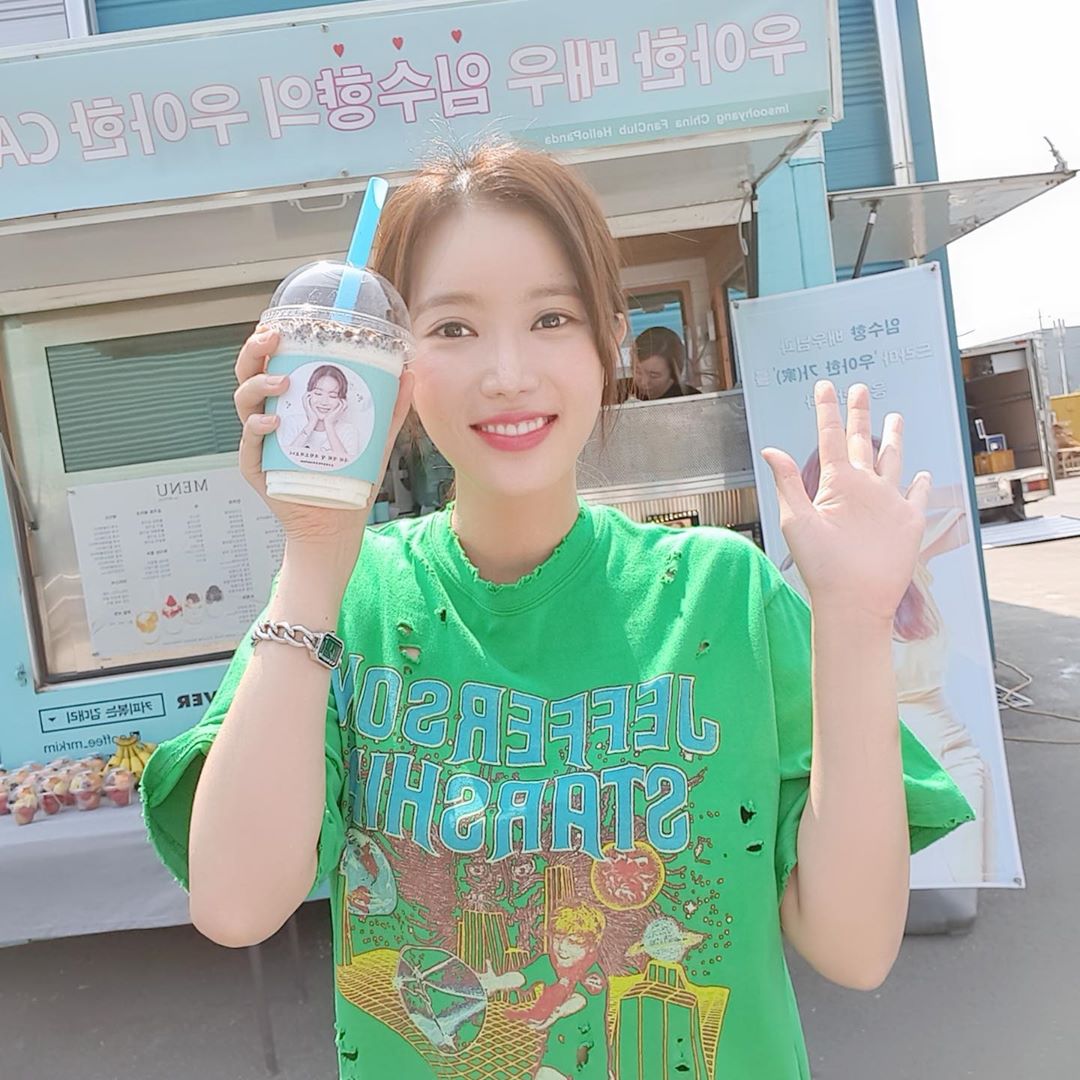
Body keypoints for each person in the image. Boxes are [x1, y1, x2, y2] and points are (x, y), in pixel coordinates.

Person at [141, 140, 973, 1080]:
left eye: (550, 318)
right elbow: (236, 905)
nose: (507, 372)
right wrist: (314, 551)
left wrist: (854, 623)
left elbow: (855, 949)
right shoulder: (350, 601)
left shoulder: (720, 596)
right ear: (397, 364)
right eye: (454, 328)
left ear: (609, 339)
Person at [781, 444, 991, 885]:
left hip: (955, 756)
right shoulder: (798, 580)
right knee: (883, 903)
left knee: (962, 880)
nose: (873, 493)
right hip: (877, 766)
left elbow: (963, 510)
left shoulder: (903, 559)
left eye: (880, 479)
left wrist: (902, 501)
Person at [280, 364, 361, 464]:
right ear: (307, 395)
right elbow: (283, 461)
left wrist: (329, 425)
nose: (324, 402)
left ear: (342, 401)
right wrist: (311, 423)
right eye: (318, 393)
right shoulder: (292, 422)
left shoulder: (348, 431)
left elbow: (347, 467)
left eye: (332, 396)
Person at [633, 325, 702, 400]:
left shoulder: (692, 400)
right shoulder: (627, 393)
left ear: (674, 374)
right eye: (638, 372)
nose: (644, 382)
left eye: (653, 375)